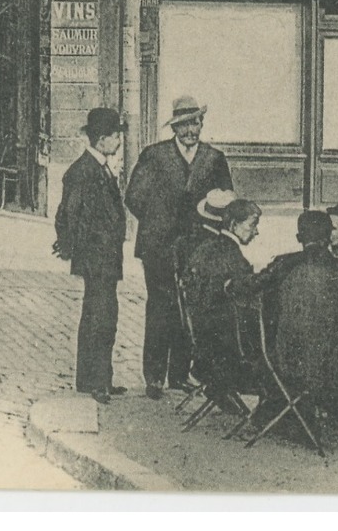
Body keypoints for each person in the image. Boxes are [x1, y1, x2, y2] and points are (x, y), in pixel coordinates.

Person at [125, 94, 233, 399]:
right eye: (183, 125)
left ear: (202, 123)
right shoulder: (154, 156)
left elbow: (227, 199)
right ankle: (155, 377)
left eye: (194, 123)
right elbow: (133, 197)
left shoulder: (214, 159)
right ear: (175, 128)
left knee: (192, 306)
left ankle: (180, 374)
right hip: (157, 247)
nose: (190, 130)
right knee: (160, 308)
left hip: (198, 247)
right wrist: (158, 222)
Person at [240, 210, 338, 425]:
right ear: (329, 236)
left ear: (299, 237)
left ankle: (278, 412)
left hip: (286, 365)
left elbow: (249, 287)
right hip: (336, 367)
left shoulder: (283, 264)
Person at [53, 108, 128, 401]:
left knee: (105, 315)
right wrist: (76, 249)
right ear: (100, 139)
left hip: (105, 258)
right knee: (99, 317)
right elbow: (68, 216)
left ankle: (99, 379)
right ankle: (94, 382)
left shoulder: (99, 168)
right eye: (114, 136)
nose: (119, 140)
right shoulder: (83, 172)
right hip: (97, 258)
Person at [182, 198, 263, 411]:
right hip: (224, 350)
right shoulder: (233, 257)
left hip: (203, 344)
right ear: (234, 225)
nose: (256, 232)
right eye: (252, 225)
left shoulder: (207, 247)